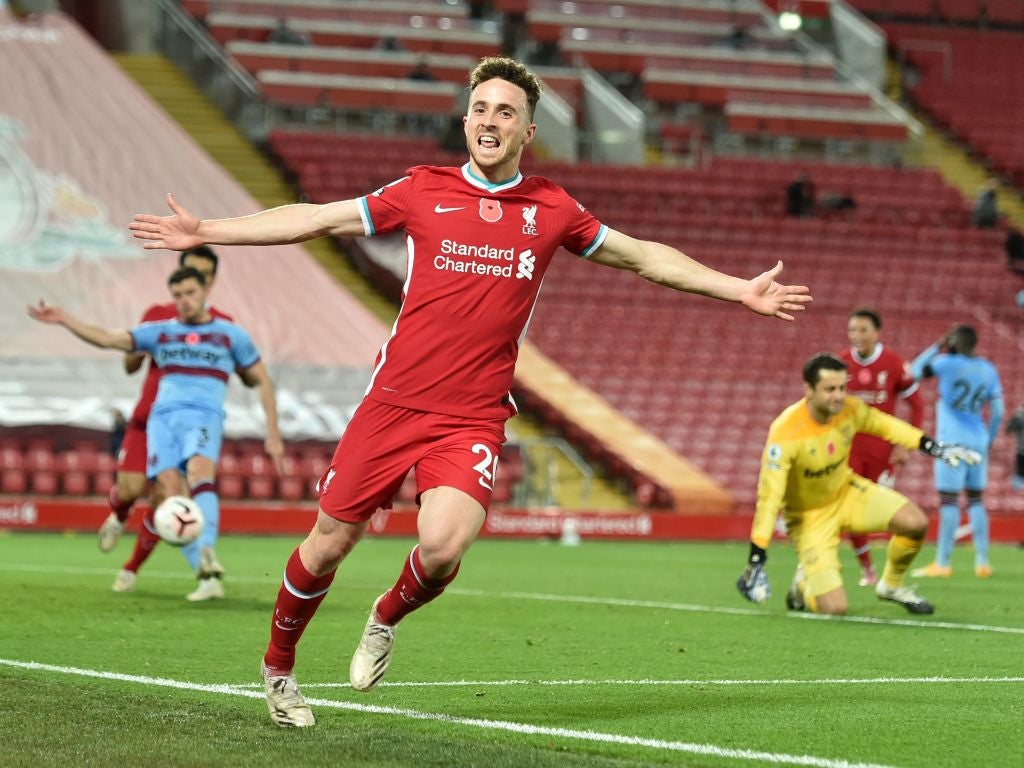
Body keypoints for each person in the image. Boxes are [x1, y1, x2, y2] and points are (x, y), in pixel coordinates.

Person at [128, 56, 812, 729]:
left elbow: (642, 256)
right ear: (465, 121)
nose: (490, 120)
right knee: (330, 543)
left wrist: (738, 288)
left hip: (472, 416)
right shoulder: (422, 189)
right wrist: (210, 232)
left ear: (528, 132)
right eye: (481, 108)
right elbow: (317, 217)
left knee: (443, 547)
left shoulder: (551, 209)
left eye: (506, 112)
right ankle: (279, 668)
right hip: (394, 401)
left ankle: (385, 617)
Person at [27, 266, 285, 600]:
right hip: (162, 420)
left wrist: (273, 432)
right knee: (168, 492)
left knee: (199, 472)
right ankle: (203, 571)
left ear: (206, 290)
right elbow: (108, 339)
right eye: (177, 295)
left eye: (190, 293)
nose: (184, 301)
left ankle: (206, 549)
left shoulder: (230, 334)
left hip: (204, 416)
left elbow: (261, 378)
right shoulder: (161, 332)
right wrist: (65, 319)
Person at [736, 353, 979, 617]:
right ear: (808, 390)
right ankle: (803, 584)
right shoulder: (785, 432)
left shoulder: (849, 410)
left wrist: (930, 446)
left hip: (847, 492)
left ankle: (891, 586)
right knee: (835, 609)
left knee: (915, 522)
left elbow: (885, 425)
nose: (838, 396)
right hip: (810, 517)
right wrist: (757, 557)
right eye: (829, 389)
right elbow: (769, 498)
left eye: (842, 387)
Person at [96, 247, 233, 593]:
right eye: (188, 272)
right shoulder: (157, 316)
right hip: (147, 419)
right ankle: (119, 513)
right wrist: (138, 344)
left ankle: (133, 570)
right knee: (129, 489)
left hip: (187, 426)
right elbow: (130, 366)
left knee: (166, 499)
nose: (193, 281)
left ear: (210, 282)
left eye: (201, 275)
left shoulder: (223, 326)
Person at [838, 308, 924, 586]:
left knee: (887, 511)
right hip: (848, 449)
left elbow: (918, 405)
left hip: (883, 452)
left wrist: (905, 445)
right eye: (853, 330)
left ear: (877, 332)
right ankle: (867, 569)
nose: (857, 336)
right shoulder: (839, 364)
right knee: (851, 509)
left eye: (863, 330)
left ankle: (893, 571)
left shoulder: (894, 363)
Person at [909, 325, 1003, 579]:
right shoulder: (988, 369)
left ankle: (943, 562)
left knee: (949, 501)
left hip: (951, 443)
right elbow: (998, 412)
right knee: (976, 500)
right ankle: (983, 561)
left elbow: (912, 373)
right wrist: (989, 440)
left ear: (953, 341)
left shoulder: (944, 362)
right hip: (978, 442)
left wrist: (937, 346)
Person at [1005, 404, 1024, 491]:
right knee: (1018, 482)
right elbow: (1009, 429)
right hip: (1022, 452)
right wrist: (1016, 418)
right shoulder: (1020, 416)